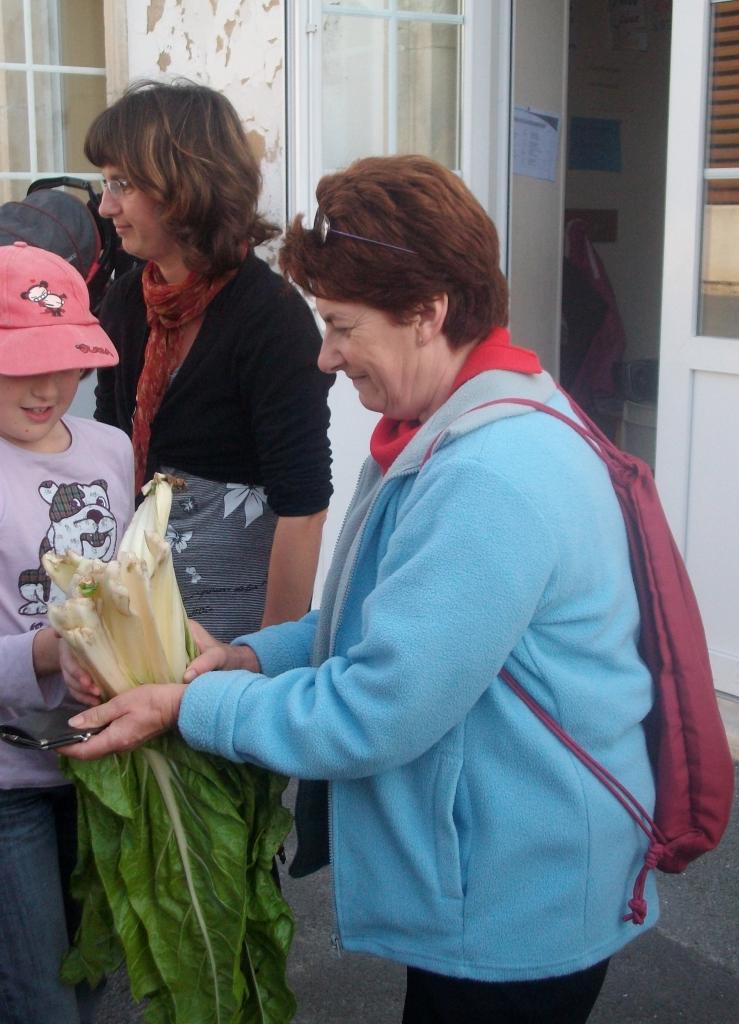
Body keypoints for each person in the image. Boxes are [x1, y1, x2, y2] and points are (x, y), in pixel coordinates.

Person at [62, 155, 659, 1024]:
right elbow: (385, 626)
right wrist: (245, 656)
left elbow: (378, 707)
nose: (326, 355)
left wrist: (189, 709)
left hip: (518, 908)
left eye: (342, 325)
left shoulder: (491, 474)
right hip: (497, 877)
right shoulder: (459, 420)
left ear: (428, 313)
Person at [86, 79, 333, 640]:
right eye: (105, 184)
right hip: (141, 620)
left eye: (122, 184)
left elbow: (304, 510)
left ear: (184, 185)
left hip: (235, 632)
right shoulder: (126, 301)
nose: (106, 207)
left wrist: (267, 665)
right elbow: (107, 456)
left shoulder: (271, 317)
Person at [0, 242, 134, 1023]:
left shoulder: (110, 450)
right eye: (21, 362)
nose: (50, 387)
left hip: (98, 767)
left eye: (65, 361)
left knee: (88, 983)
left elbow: (127, 586)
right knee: (39, 998)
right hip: (10, 779)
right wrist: (50, 651)